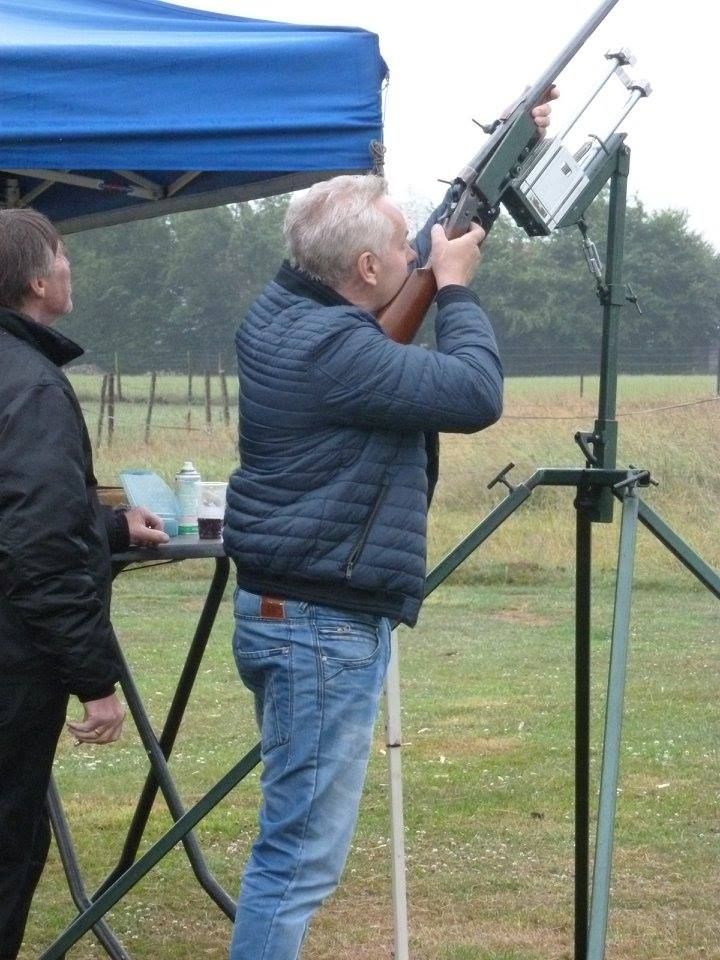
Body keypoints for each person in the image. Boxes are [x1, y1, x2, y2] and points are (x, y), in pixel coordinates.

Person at [223, 100, 555, 959]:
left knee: (291, 849)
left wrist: (496, 170)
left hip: (286, 612)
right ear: (367, 266)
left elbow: (364, 308)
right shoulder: (336, 351)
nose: (415, 251)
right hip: (320, 625)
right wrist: (451, 285)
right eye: (402, 247)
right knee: (295, 862)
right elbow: (474, 394)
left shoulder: (276, 313)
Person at [0, 208, 169, 960]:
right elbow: (39, 551)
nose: (72, 269)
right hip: (10, 665)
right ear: (37, 282)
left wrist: (105, 526)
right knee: (8, 845)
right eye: (64, 259)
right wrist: (95, 678)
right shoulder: (32, 388)